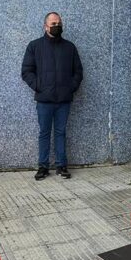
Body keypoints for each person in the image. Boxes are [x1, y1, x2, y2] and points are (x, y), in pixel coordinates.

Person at [21, 11, 82, 180]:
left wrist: (71, 87)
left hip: (64, 99)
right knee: (44, 133)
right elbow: (26, 71)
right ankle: (43, 167)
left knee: (61, 132)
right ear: (45, 26)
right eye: (53, 24)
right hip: (44, 100)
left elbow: (78, 71)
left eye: (59, 23)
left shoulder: (69, 47)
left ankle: (62, 166)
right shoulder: (34, 46)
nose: (57, 26)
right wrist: (39, 86)